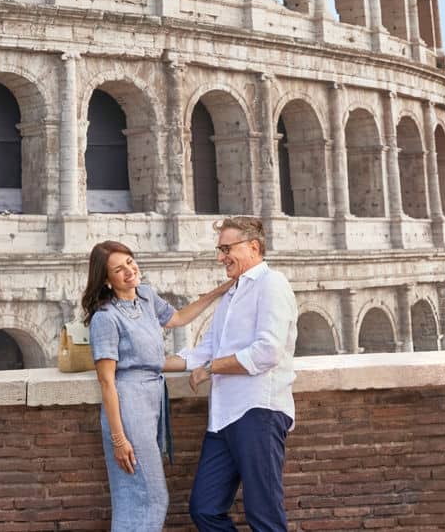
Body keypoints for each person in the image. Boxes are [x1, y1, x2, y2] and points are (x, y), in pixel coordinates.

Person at [81, 240, 230, 532]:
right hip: (130, 405)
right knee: (151, 496)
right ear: (106, 280)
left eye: (130, 262)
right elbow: (107, 382)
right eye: (118, 269)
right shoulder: (105, 319)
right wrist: (119, 439)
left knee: (137, 495)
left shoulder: (146, 297)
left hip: (152, 401)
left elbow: (177, 318)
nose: (128, 271)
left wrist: (219, 291)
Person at [186, 217, 297, 532]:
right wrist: (147, 360)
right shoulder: (231, 296)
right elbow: (204, 350)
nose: (221, 257)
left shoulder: (272, 284)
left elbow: (268, 351)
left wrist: (211, 369)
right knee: (205, 508)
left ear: (254, 247)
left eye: (226, 249)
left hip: (258, 412)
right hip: (223, 417)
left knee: (264, 517)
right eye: (219, 250)